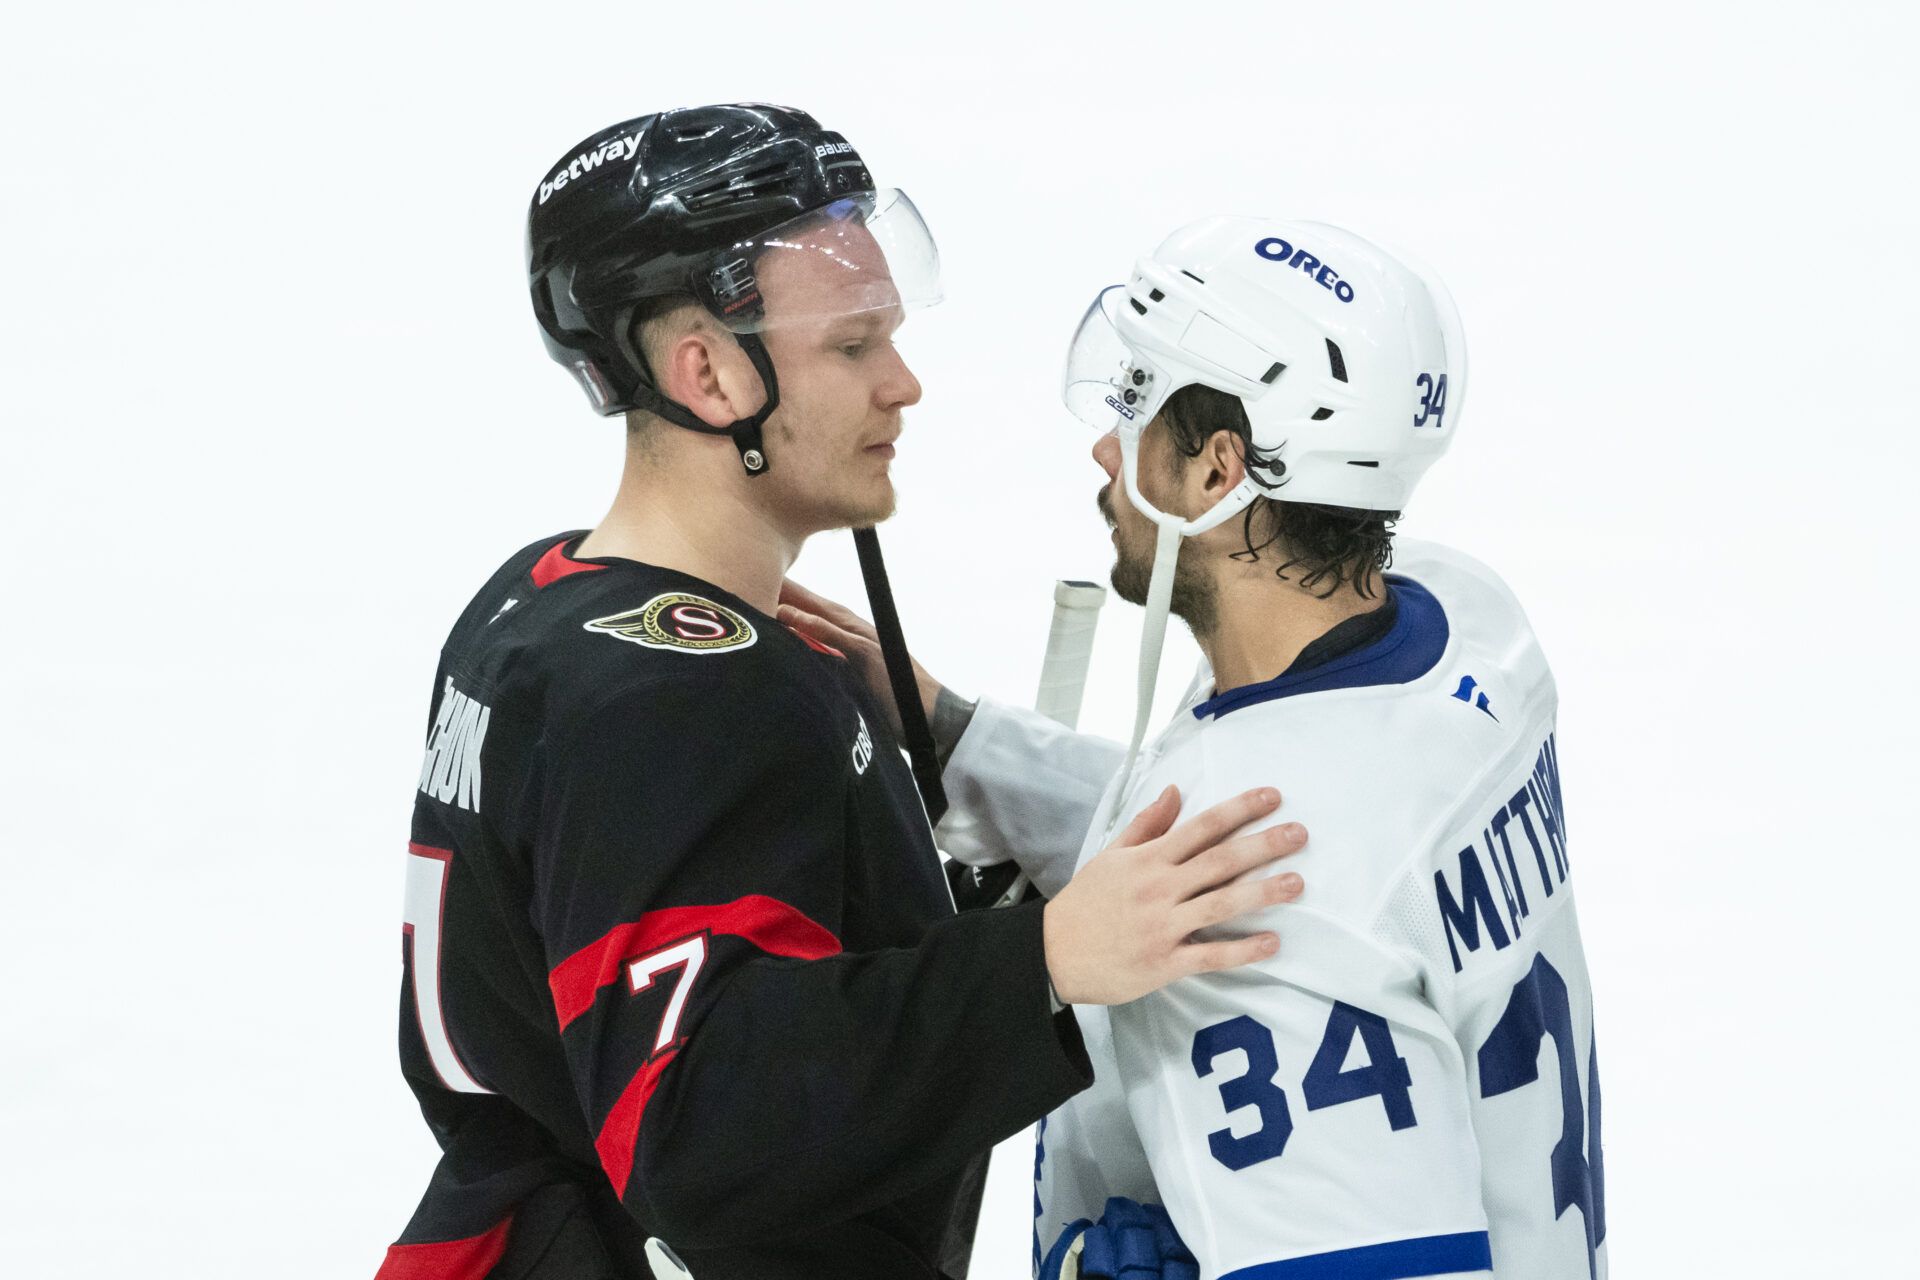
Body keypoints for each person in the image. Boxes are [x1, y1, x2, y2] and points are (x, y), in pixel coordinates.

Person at [376, 107, 1310, 1280]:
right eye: (855, 344)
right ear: (706, 371)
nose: (903, 384)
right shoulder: (681, 695)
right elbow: (697, 1130)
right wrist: (1043, 963)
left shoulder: (541, 602)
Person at [781, 219, 1604, 1279]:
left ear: (1219, 468)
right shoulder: (1465, 620)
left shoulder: (1251, 920)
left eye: (1137, 403)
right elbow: (1294, 828)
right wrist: (956, 730)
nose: (1106, 444)